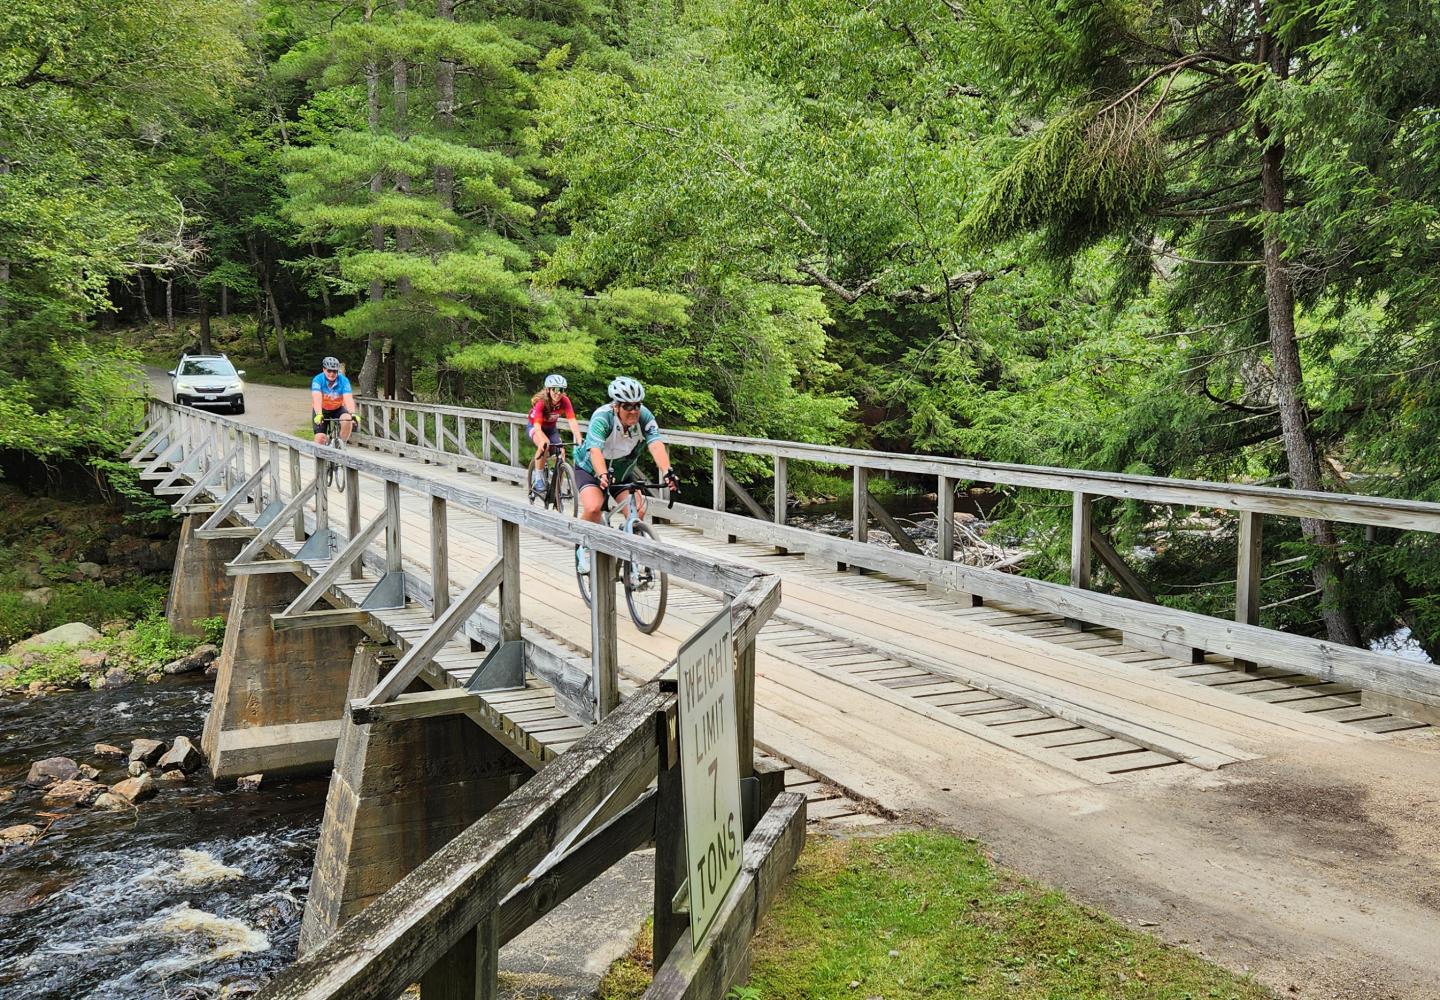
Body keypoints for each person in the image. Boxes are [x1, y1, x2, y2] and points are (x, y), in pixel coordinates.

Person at [573, 376, 679, 572]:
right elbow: (595, 451)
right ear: (616, 406)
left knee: (638, 509)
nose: (634, 411)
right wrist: (602, 474)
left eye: (637, 405)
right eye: (628, 406)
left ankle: (630, 548)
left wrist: (667, 472)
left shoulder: (645, 416)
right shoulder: (602, 417)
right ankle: (581, 546)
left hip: (622, 472)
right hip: (591, 469)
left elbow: (655, 444)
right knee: (594, 507)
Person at [528, 374, 583, 495]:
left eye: (561, 390)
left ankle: (557, 488)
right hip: (536, 427)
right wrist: (542, 441)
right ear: (548, 389)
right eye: (555, 389)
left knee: (561, 452)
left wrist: (579, 438)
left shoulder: (565, 401)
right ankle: (538, 478)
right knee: (545, 446)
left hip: (551, 429)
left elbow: (572, 421)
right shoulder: (542, 403)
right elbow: (537, 426)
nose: (558, 393)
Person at [311, 356, 356, 445]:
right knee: (320, 438)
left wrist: (352, 413)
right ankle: (319, 453)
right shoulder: (318, 379)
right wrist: (319, 414)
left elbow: (348, 398)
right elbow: (317, 398)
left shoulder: (343, 380)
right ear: (324, 369)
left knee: (347, 419)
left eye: (334, 371)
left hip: (337, 408)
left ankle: (341, 445)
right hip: (322, 409)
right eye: (329, 371)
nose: (331, 374)